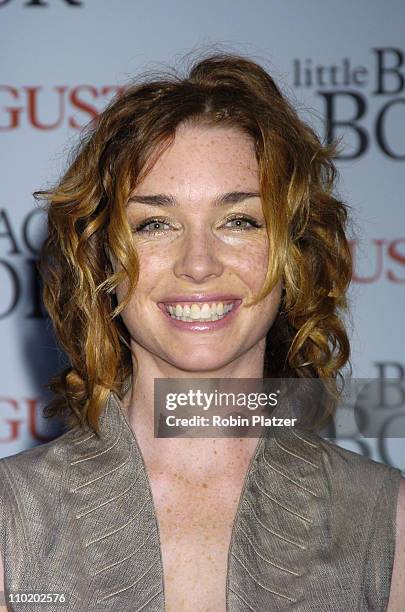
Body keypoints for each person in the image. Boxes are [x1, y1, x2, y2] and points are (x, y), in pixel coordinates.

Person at [0, 53, 404, 612]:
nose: (198, 262)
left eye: (239, 220)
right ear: (100, 260)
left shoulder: (389, 523)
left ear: (294, 251)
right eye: (155, 223)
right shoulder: (11, 524)